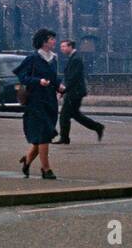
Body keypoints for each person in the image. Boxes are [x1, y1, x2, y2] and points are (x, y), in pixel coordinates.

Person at [14, 29, 59, 179]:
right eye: (52, 39)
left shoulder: (54, 59)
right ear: (44, 41)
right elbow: (22, 77)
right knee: (44, 134)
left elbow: (54, 78)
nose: (54, 41)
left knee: (43, 135)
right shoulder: (32, 58)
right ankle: (46, 169)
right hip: (36, 101)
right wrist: (38, 81)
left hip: (50, 101)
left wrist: (60, 86)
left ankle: (26, 161)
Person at [54, 39, 104, 144]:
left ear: (70, 46)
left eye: (64, 46)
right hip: (75, 91)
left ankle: (64, 138)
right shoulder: (73, 57)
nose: (61, 48)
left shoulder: (76, 58)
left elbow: (73, 77)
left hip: (75, 92)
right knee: (75, 114)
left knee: (64, 115)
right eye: (61, 46)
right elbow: (69, 76)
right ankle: (97, 127)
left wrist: (63, 90)